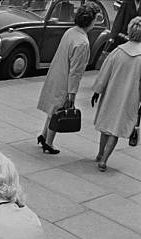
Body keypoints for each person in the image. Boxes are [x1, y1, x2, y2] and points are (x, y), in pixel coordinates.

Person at [37, 3, 99, 154]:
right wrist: (72, 94)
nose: (96, 22)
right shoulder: (83, 43)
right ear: (89, 21)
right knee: (59, 111)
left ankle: (43, 136)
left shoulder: (71, 32)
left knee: (52, 110)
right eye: (96, 19)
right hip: (65, 81)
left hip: (56, 74)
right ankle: (49, 142)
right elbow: (75, 72)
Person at [91, 16, 141, 171]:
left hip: (111, 93)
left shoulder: (118, 52)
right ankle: (104, 160)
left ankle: (100, 153)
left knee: (106, 125)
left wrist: (97, 92)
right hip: (130, 98)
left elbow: (104, 73)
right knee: (116, 129)